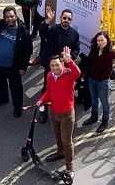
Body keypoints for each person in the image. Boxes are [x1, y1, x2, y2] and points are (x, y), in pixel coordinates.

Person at [36, 47, 81, 179]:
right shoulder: (50, 75)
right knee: (57, 136)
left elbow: (77, 73)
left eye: (57, 65)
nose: (55, 68)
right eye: (52, 65)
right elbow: (49, 91)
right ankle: (60, 153)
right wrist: (41, 100)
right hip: (53, 111)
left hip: (66, 113)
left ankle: (69, 166)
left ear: (62, 64)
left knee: (67, 140)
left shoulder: (69, 74)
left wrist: (70, 60)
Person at [0, 3, 33, 117]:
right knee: (1, 83)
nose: (9, 19)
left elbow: (28, 51)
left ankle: (17, 108)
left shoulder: (23, 33)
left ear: (16, 16)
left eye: (11, 16)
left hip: (13, 67)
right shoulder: (1, 25)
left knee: (15, 88)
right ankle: (3, 98)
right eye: (7, 17)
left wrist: (23, 67)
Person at [82, 31, 115, 133]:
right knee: (93, 98)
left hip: (103, 82)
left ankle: (105, 120)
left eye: (102, 40)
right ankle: (94, 115)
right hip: (92, 79)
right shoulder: (94, 49)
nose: (100, 42)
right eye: (98, 40)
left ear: (107, 41)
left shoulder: (109, 53)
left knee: (104, 101)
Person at [36, 7, 80, 88]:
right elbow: (43, 33)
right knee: (48, 85)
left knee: (61, 86)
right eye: (64, 18)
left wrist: (70, 57)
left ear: (71, 20)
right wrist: (47, 21)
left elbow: (76, 49)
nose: (66, 20)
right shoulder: (53, 29)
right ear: (60, 18)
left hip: (64, 66)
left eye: (69, 19)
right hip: (50, 64)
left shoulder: (74, 34)